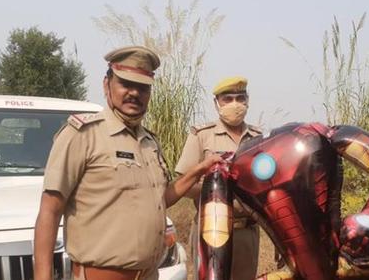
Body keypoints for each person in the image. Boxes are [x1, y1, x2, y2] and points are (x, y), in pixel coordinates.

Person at [33, 46, 218, 280]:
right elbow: (50, 210)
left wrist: (197, 170)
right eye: (126, 84)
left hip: (149, 275)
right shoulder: (82, 134)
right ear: (106, 84)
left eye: (142, 88)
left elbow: (160, 199)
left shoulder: (149, 142)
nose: (134, 93)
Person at [174, 76, 262, 280]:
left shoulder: (257, 138)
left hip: (246, 233)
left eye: (240, 98)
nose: (235, 104)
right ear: (216, 103)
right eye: (228, 99)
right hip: (211, 231)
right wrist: (215, 191)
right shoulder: (202, 135)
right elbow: (184, 183)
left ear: (247, 101)